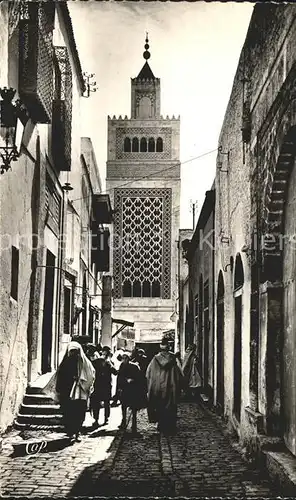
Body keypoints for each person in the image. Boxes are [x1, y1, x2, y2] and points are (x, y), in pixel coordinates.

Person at [55, 341, 95, 441]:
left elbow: (91, 376)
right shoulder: (65, 363)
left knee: (79, 413)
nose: (74, 354)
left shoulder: (85, 363)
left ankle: (77, 432)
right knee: (68, 413)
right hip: (67, 393)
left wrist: (81, 381)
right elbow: (60, 377)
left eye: (76, 351)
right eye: (72, 351)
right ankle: (70, 432)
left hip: (80, 393)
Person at [146, 338, 183, 436]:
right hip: (171, 387)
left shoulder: (155, 359)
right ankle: (170, 426)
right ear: (168, 347)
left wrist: (152, 385)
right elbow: (178, 374)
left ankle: (161, 425)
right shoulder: (173, 358)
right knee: (170, 406)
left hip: (158, 387)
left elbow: (149, 374)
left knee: (160, 405)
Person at [117, 351, 147, 435]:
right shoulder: (122, 366)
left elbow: (140, 378)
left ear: (129, 358)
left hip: (133, 390)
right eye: (123, 358)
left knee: (134, 408)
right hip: (124, 389)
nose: (124, 360)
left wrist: (133, 380)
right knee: (123, 406)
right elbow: (119, 377)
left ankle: (134, 425)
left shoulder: (134, 366)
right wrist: (119, 387)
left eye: (125, 358)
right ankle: (123, 422)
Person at [90, 346, 118, 428]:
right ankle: (96, 419)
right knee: (96, 403)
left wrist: (110, 365)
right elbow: (91, 371)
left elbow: (115, 372)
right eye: (105, 353)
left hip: (106, 386)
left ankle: (106, 418)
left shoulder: (110, 363)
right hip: (98, 385)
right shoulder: (96, 362)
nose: (105, 355)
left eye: (107, 353)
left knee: (106, 403)